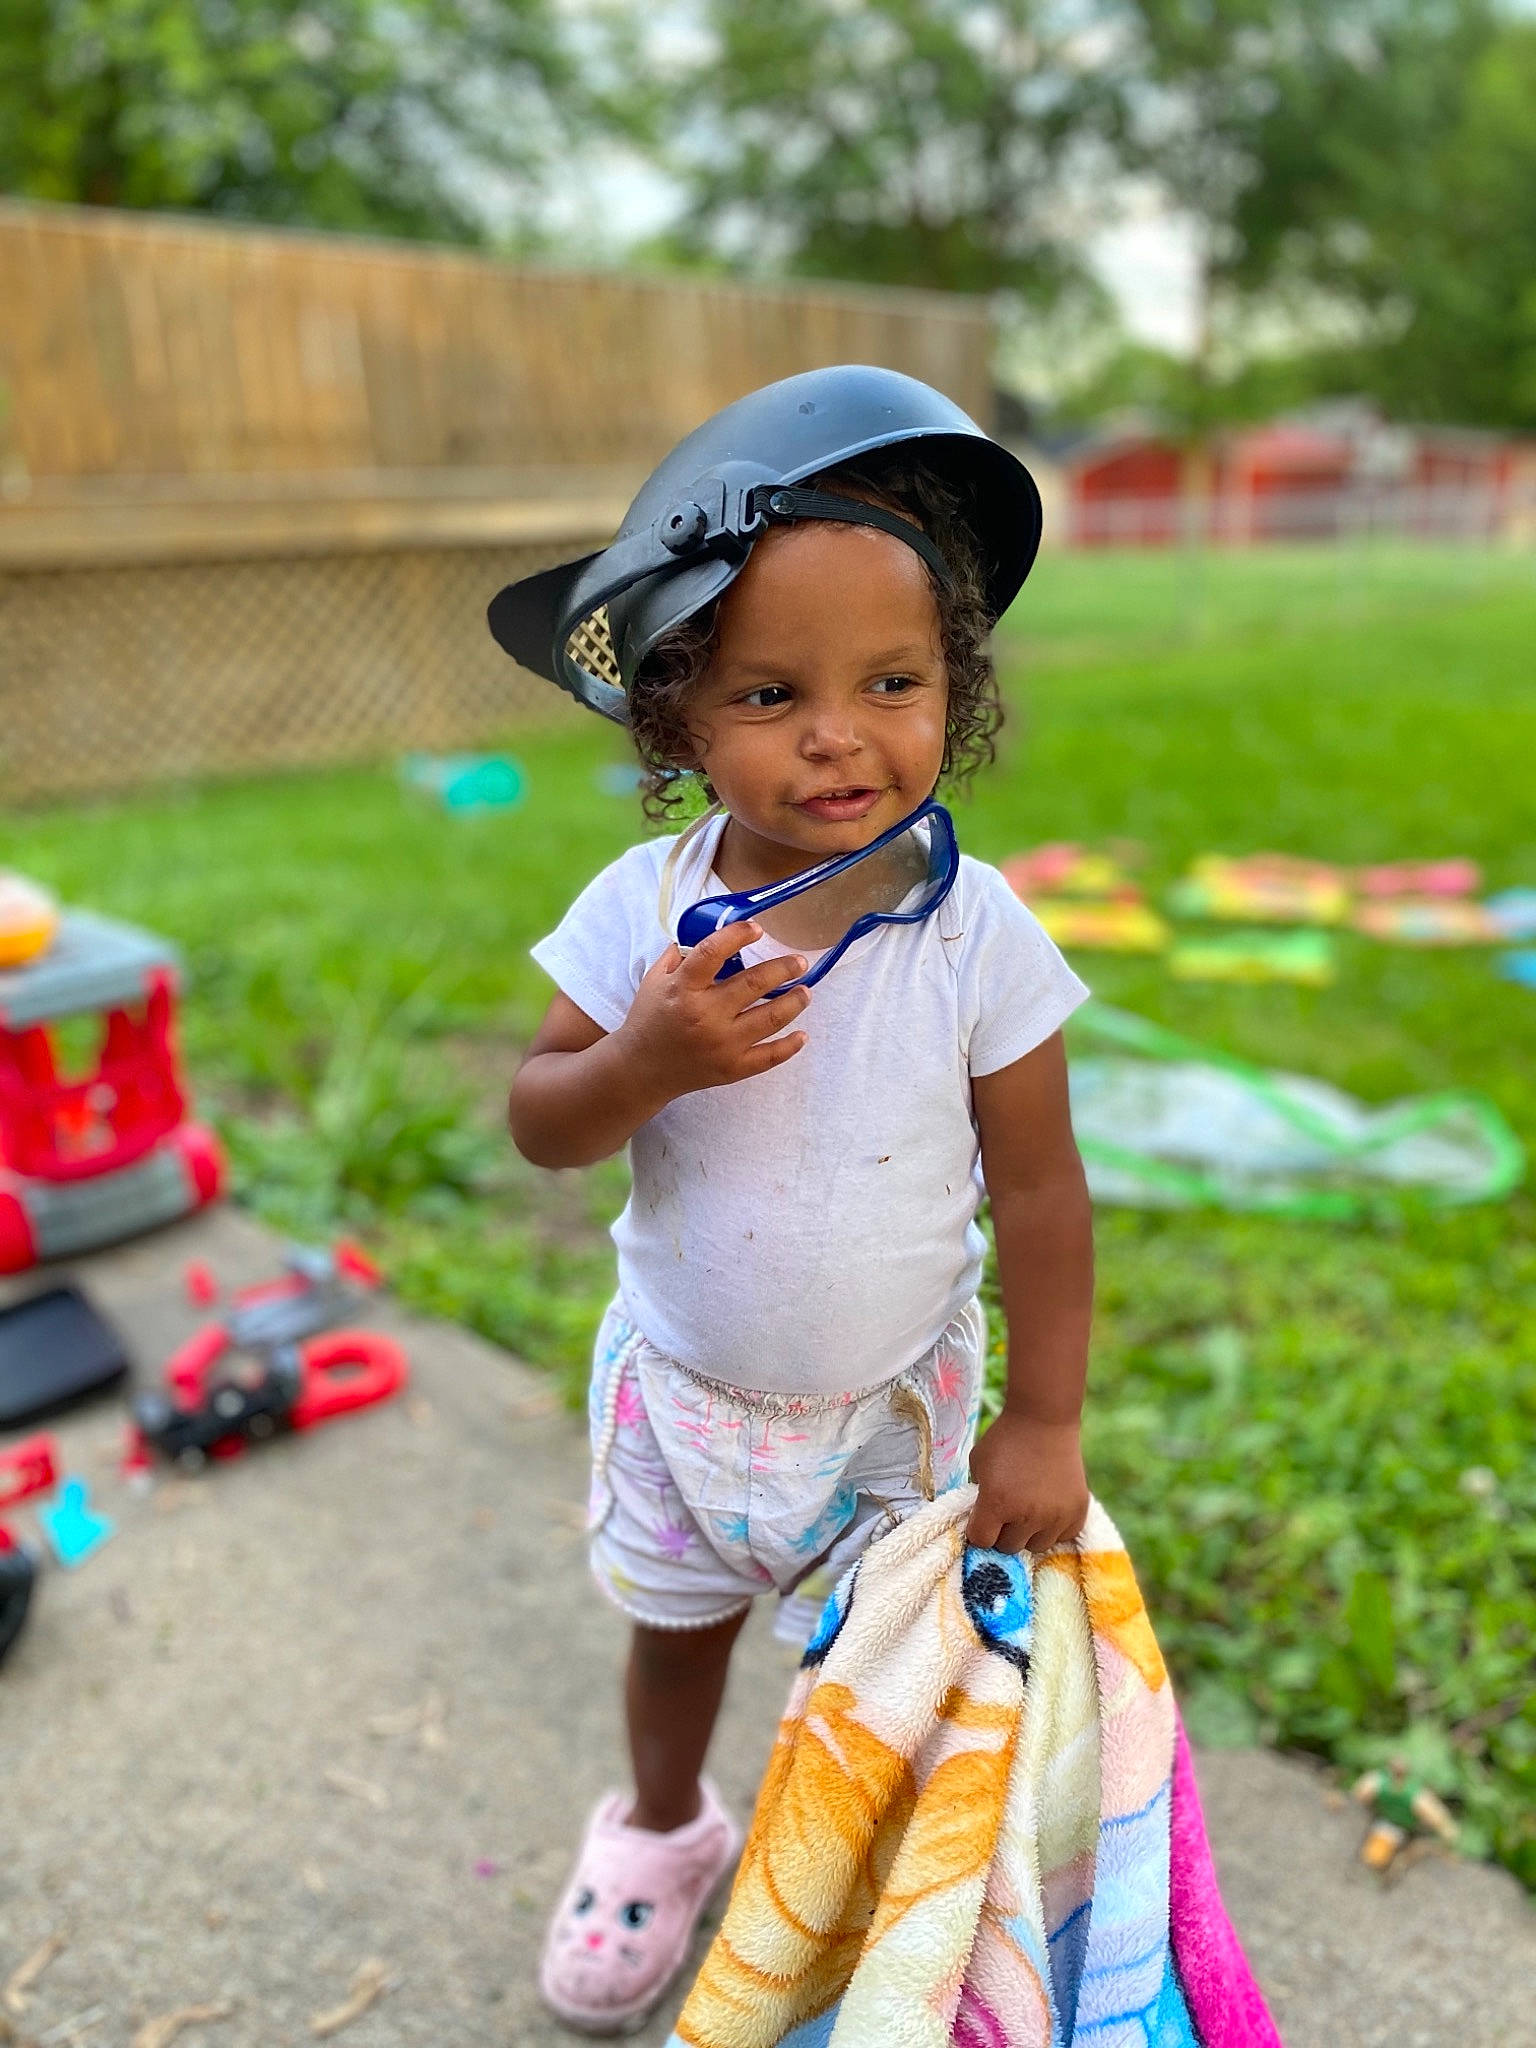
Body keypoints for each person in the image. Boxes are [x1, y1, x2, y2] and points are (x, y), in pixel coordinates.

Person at [496, 367, 1095, 2035]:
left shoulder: (978, 940)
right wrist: (644, 1063)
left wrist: (1041, 1423)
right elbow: (545, 1123)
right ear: (679, 719)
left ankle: (861, 1891)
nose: (841, 733)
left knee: (881, 1681)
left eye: (894, 682)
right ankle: (665, 1828)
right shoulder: (643, 910)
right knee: (676, 1635)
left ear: (955, 695)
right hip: (686, 1397)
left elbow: (1042, 1193)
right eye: (771, 693)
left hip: (893, 1420)